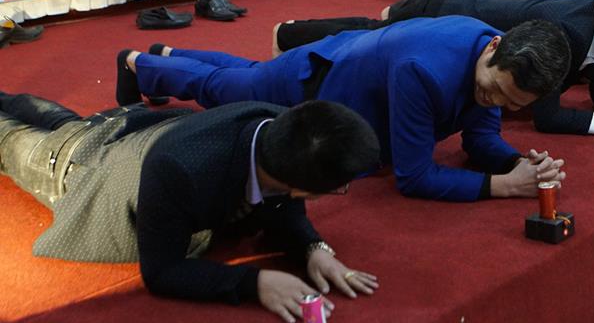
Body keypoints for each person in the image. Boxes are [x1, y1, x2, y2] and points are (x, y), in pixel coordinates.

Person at [0, 92, 381, 323]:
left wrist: (313, 248)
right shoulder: (183, 172)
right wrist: (254, 283)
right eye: (339, 187)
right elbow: (162, 270)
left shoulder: (281, 128)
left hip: (117, 133)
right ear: (304, 188)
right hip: (77, 168)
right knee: (10, 134)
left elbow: (281, 201)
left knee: (52, 117)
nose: (342, 190)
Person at [116, 18, 571, 202]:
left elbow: (481, 137)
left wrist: (517, 163)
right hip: (316, 81)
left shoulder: (500, 58)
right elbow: (414, 177)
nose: (496, 104)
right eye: (495, 90)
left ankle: (169, 55)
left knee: (248, 74)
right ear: (493, 48)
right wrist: (503, 186)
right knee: (227, 91)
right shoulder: (424, 71)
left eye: (512, 105)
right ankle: (138, 65)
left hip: (355, 61)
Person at [279, 0, 594, 135]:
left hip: (474, 14)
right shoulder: (568, 34)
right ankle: (291, 34)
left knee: (370, 32)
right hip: (451, 15)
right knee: (369, 37)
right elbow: (548, 117)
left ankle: (293, 36)